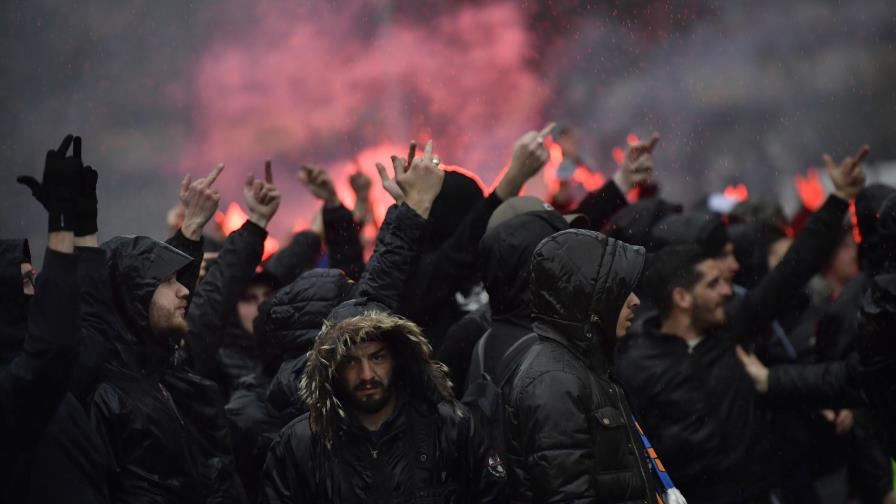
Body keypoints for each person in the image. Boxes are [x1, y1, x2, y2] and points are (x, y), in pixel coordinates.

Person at [615, 145, 868, 504]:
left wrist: (838, 199)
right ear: (682, 299)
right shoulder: (636, 364)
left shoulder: (728, 330)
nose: (726, 290)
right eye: (712, 284)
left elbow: (790, 273)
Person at [260, 298, 506, 503]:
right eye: (351, 361)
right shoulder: (301, 446)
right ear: (334, 370)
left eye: (377, 358)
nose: (367, 375)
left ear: (397, 359)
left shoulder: (452, 428)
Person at [502, 228, 671, 503]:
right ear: (589, 299)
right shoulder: (554, 381)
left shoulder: (584, 362)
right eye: (621, 290)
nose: (635, 301)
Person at [2, 134, 109, 503]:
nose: (39, 286)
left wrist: (83, 229)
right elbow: (52, 350)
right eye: (27, 278)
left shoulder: (53, 379)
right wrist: (60, 226)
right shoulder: (16, 385)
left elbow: (91, 330)